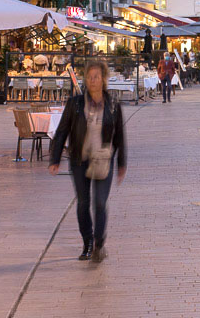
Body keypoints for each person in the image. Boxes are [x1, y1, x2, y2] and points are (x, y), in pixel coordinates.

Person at [49, 60, 127, 263]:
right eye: (90, 77)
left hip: (103, 160)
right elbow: (62, 131)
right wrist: (55, 159)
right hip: (79, 160)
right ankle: (88, 243)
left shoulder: (113, 104)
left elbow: (120, 135)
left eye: (97, 77)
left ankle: (99, 243)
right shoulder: (75, 103)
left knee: (100, 202)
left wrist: (121, 163)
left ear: (104, 79)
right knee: (83, 203)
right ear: (86, 79)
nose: (93, 81)